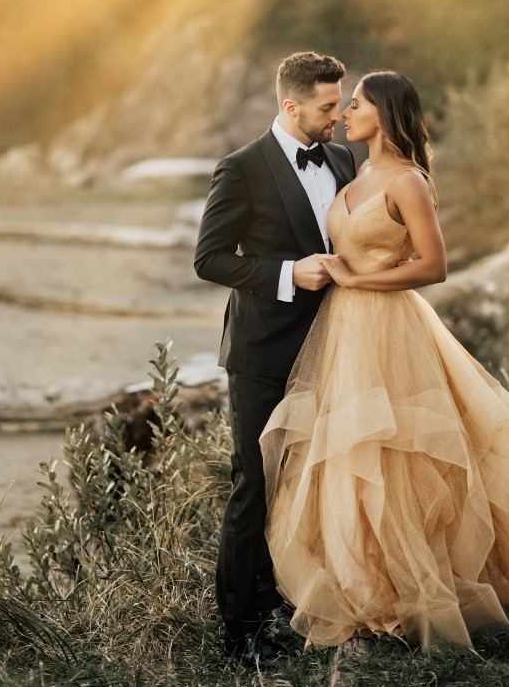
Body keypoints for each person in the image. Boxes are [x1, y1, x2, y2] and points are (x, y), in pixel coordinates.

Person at [260, 71, 509, 651]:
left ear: (384, 112)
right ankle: (369, 586)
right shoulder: (357, 172)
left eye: (356, 104)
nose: (345, 113)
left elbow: (433, 266)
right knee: (352, 452)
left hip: (390, 327)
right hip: (344, 329)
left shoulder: (408, 181)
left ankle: (418, 587)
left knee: (401, 455)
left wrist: (357, 278)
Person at [194, 51, 356, 666]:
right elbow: (210, 259)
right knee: (256, 487)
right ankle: (241, 631)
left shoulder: (341, 160)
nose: (338, 117)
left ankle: (297, 602)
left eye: (339, 104)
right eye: (327, 106)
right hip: (262, 354)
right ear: (291, 105)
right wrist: (290, 273)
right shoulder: (241, 168)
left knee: (313, 482)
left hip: (333, 348)